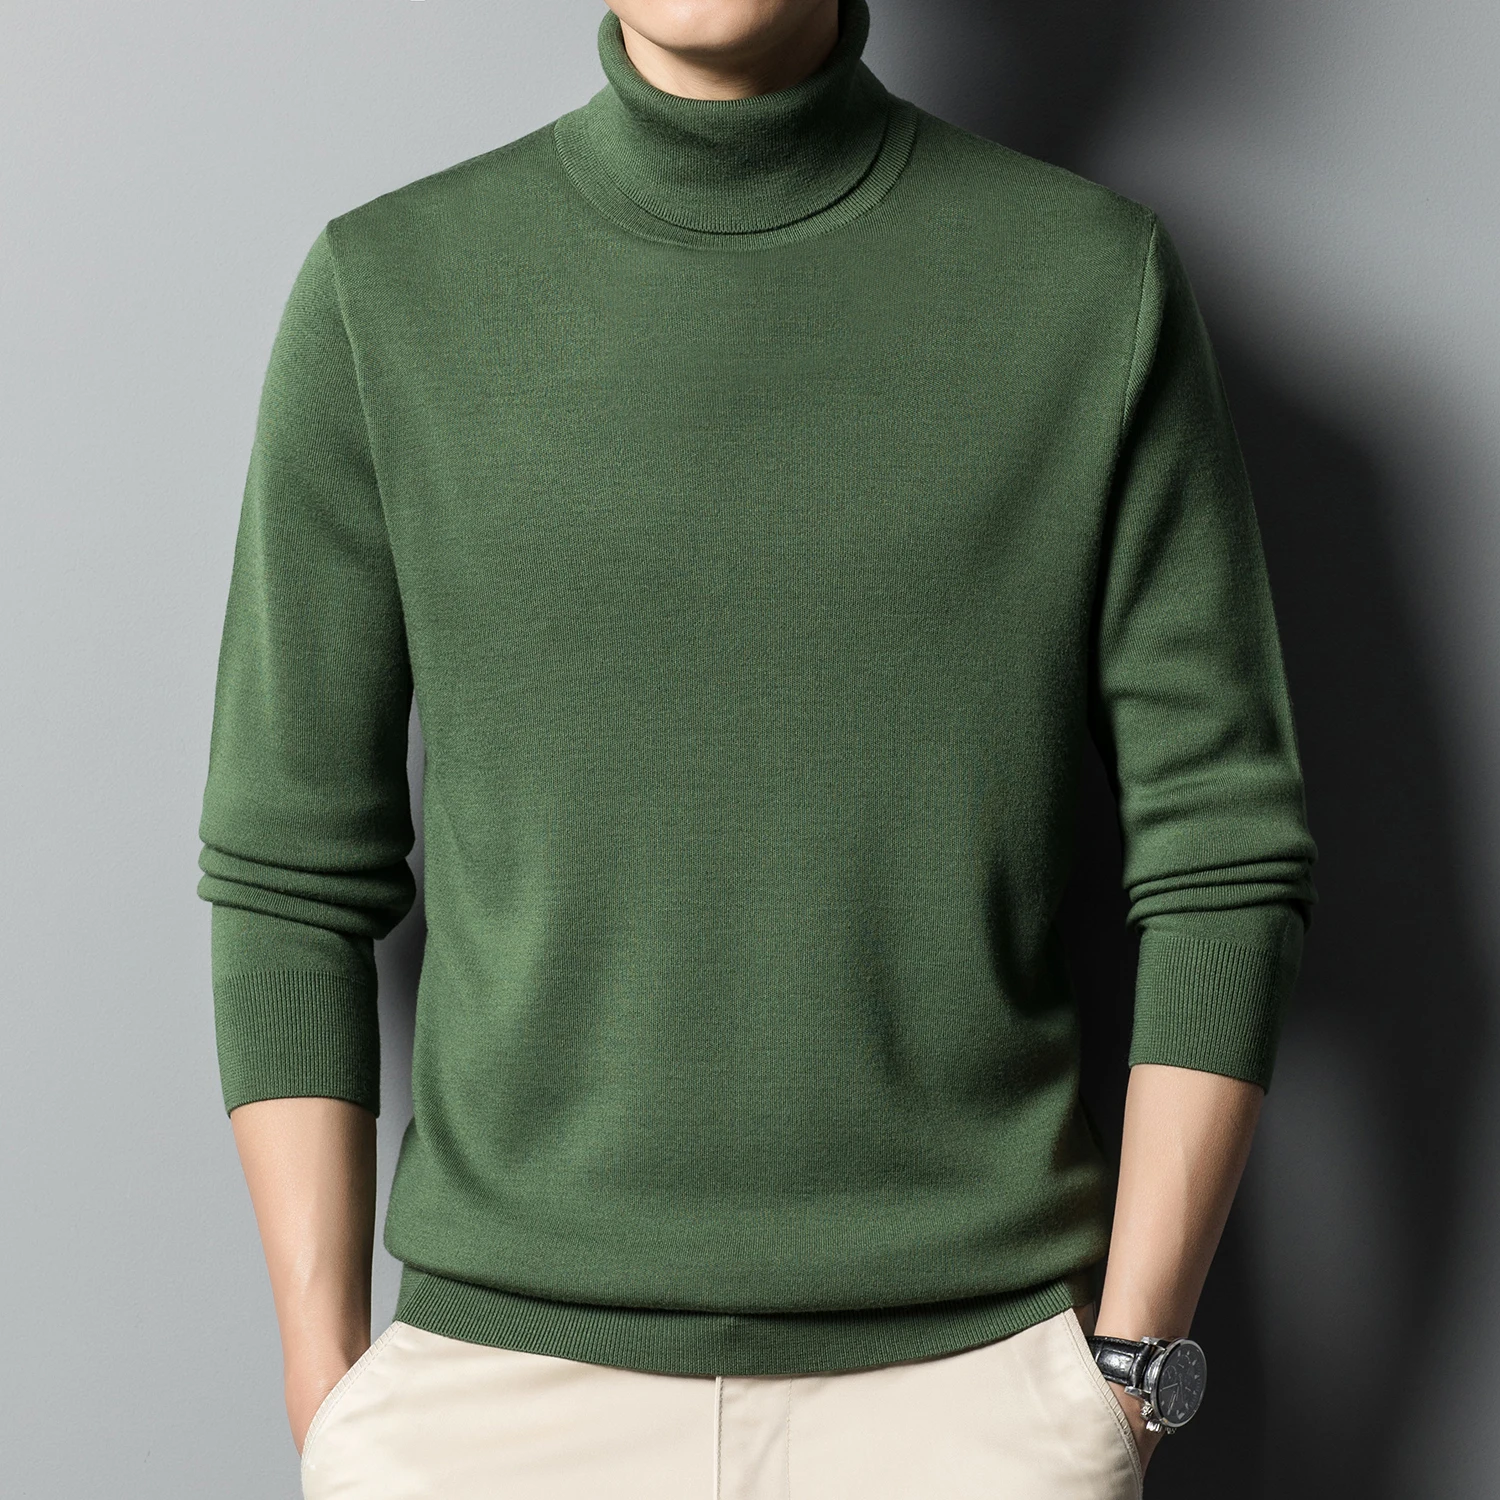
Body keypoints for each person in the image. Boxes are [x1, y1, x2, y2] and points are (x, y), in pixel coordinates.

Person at [199, 0, 1317, 1494]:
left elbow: (1224, 850)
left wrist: (1128, 1367)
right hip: (490, 1399)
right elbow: (286, 871)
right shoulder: (388, 289)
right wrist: (329, 1383)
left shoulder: (1086, 281)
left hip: (971, 1396)